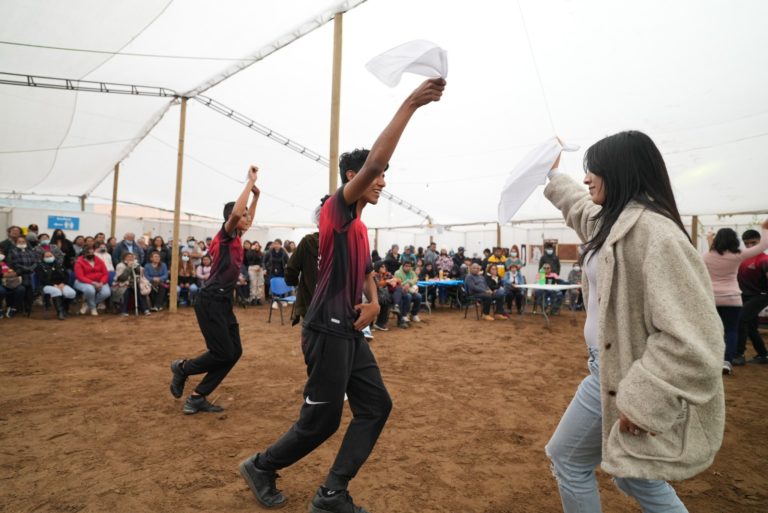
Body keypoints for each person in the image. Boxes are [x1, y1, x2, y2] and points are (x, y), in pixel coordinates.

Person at [239, 78, 445, 513]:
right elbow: (376, 163)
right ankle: (260, 465)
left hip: (350, 331)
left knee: (375, 406)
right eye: (377, 176)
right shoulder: (337, 209)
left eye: (384, 177)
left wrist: (373, 300)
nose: (382, 183)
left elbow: (366, 270)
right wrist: (410, 104)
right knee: (322, 421)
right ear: (354, 177)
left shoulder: (362, 227)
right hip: (324, 331)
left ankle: (332, 492)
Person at [543, 131, 724, 513]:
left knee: (570, 459)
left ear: (622, 171)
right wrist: (554, 175)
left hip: (628, 377)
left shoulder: (657, 235)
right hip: (608, 370)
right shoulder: (612, 222)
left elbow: (693, 340)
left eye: (594, 170)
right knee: (632, 473)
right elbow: (579, 207)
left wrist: (644, 402)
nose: (587, 178)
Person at [169, 165, 261, 415]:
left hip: (222, 303)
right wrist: (248, 183)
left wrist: (256, 196)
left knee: (234, 352)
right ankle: (183, 368)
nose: (247, 219)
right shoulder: (226, 234)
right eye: (243, 216)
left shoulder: (238, 236)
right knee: (222, 352)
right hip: (209, 300)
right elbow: (236, 216)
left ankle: (198, 396)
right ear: (232, 218)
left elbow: (245, 217)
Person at [703, 220, 768, 374]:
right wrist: (765, 228)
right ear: (735, 241)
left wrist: (710, 239)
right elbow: (763, 246)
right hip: (733, 299)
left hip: (712, 298)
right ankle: (727, 361)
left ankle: (711, 359)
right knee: (731, 330)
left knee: (713, 330)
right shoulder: (738, 255)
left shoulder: (706, 256)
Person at [735, 229, 768, 364]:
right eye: (746, 243)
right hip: (745, 295)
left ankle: (738, 355)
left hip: (761, 296)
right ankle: (763, 355)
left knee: (741, 319)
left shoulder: (764, 259)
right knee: (751, 327)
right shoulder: (743, 258)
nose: (750, 246)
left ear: (760, 241)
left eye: (753, 243)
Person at [284, 229, 320, 326]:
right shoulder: (343, 241)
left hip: (310, 301)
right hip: (336, 306)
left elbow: (291, 269)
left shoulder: (308, 241)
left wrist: (294, 282)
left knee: (311, 338)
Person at [36, 249, 75, 320]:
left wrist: (63, 283)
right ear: (43, 258)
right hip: (47, 285)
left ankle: (65, 309)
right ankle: (60, 312)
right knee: (57, 292)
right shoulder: (40, 266)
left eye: (50, 256)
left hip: (61, 284)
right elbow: (42, 279)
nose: (49, 257)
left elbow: (66, 275)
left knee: (71, 293)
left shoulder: (60, 264)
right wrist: (53, 285)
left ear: (53, 256)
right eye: (46, 256)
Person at [73, 245, 111, 316]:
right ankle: (93, 308)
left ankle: (87, 304)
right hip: (83, 282)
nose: (91, 254)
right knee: (90, 290)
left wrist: (102, 282)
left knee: (106, 293)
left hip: (100, 281)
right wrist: (93, 283)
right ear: (84, 253)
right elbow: (80, 276)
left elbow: (105, 273)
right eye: (88, 253)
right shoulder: (79, 262)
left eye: (92, 253)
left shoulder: (99, 260)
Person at [112, 252, 151, 316]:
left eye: (132, 257)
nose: (130, 258)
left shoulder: (136, 264)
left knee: (139, 290)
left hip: (134, 284)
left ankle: (145, 309)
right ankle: (123, 310)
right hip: (122, 284)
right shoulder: (120, 265)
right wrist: (128, 268)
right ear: (124, 258)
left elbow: (140, 274)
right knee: (126, 291)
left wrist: (136, 267)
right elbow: (121, 278)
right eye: (128, 257)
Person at [7, 236, 38, 313]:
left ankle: (28, 307)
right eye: (19, 242)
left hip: (31, 275)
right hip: (19, 274)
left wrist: (31, 268)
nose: (21, 243)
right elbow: (13, 263)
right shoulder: (12, 251)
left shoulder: (31, 251)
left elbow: (36, 262)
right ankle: (19, 308)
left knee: (30, 292)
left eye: (23, 241)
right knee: (21, 290)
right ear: (16, 243)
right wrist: (26, 269)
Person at [0, 247, 25, 318]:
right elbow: (3, 275)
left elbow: (20, 269)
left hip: (12, 283)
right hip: (1, 284)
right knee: (1, 291)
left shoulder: (8, 262)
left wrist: (16, 273)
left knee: (21, 289)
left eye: (1, 252)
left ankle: (13, 308)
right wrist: (2, 275)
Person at [245, 240, 265, 304]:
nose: (256, 246)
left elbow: (262, 261)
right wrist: (252, 250)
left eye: (257, 245)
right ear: (252, 246)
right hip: (252, 268)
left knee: (259, 284)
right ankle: (253, 298)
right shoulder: (249, 252)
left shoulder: (261, 253)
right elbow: (250, 258)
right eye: (255, 245)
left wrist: (260, 267)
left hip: (260, 269)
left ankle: (258, 298)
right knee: (253, 284)